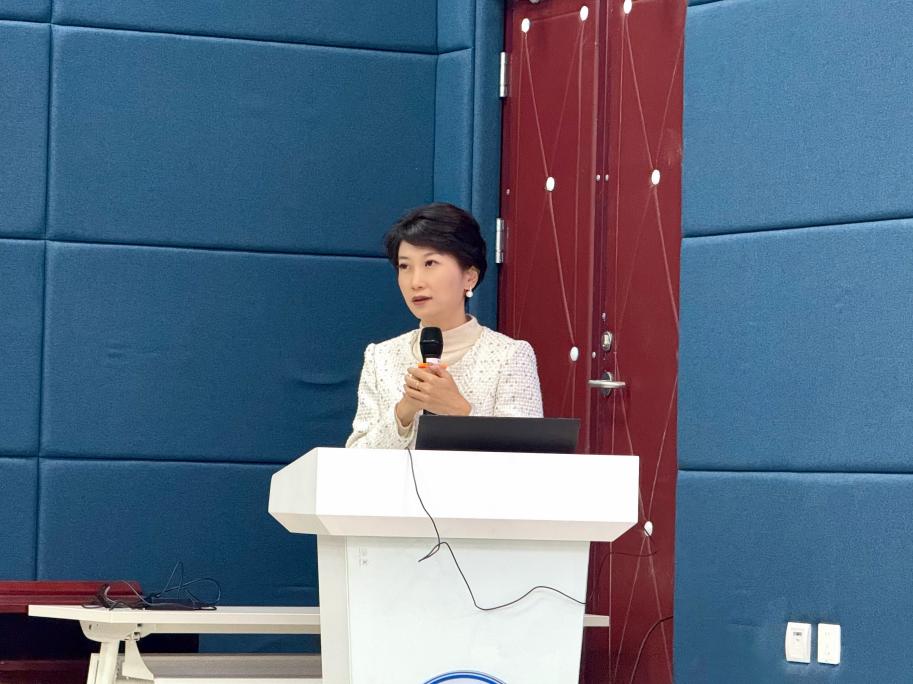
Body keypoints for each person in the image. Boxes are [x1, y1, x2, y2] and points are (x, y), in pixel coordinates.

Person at [345, 202, 543, 449]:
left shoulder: (510, 356)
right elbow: (354, 459)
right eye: (405, 266)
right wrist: (403, 412)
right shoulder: (381, 357)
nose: (415, 282)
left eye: (430, 263)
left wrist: (459, 410)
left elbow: (527, 458)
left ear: (469, 276)